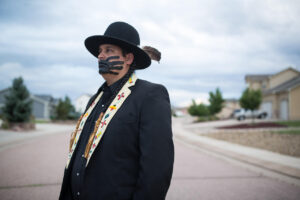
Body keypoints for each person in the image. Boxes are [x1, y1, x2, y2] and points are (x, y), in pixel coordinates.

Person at [59, 21, 174, 200]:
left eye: (108, 50)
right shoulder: (94, 100)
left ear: (128, 58)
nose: (100, 56)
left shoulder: (150, 96)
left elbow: (156, 170)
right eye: (100, 51)